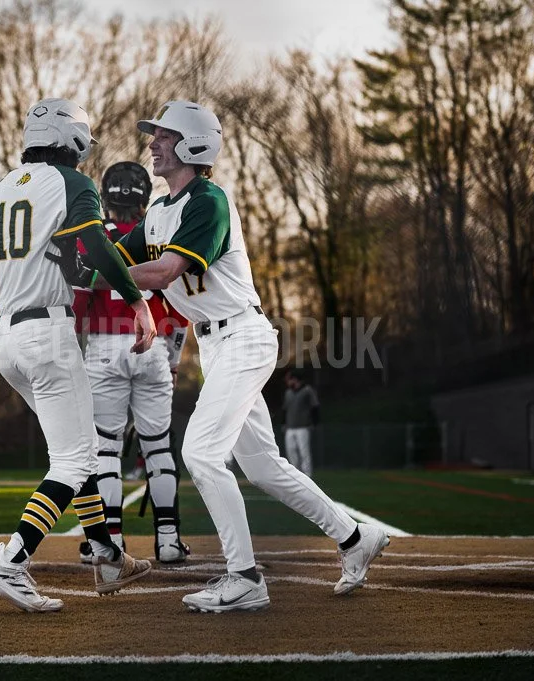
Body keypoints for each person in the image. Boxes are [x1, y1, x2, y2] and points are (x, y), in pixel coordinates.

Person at [91, 101, 389, 611]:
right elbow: (115, 258)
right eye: (154, 136)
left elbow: (161, 273)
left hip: (244, 338)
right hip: (216, 344)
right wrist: (75, 260)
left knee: (202, 454)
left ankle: (245, 576)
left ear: (193, 144)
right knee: (265, 467)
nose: (152, 144)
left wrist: (98, 274)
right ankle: (354, 537)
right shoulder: (160, 210)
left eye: (163, 136)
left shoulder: (208, 200)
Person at [0, 98, 155, 613]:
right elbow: (94, 246)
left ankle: (107, 556)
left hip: (9, 338)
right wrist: (138, 303)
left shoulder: (0, 187)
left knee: (77, 449)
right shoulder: (72, 184)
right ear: (71, 140)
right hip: (47, 333)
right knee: (74, 457)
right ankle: (11, 562)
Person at [72, 161, 190, 565]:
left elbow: (79, 298)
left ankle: (113, 542)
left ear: (105, 196)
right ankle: (170, 540)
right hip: (154, 343)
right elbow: (180, 306)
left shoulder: (93, 238)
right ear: (144, 197)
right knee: (158, 448)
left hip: (104, 346)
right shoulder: (158, 233)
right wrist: (172, 359)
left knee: (106, 449)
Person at [283, 369, 320, 476]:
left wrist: (314, 422)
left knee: (304, 452)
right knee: (291, 452)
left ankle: (307, 475)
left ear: (295, 379)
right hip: (290, 428)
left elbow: (315, 407)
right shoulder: (288, 393)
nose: (287, 382)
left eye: (289, 379)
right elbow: (285, 409)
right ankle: (296, 475)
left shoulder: (307, 391)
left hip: (303, 427)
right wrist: (284, 423)